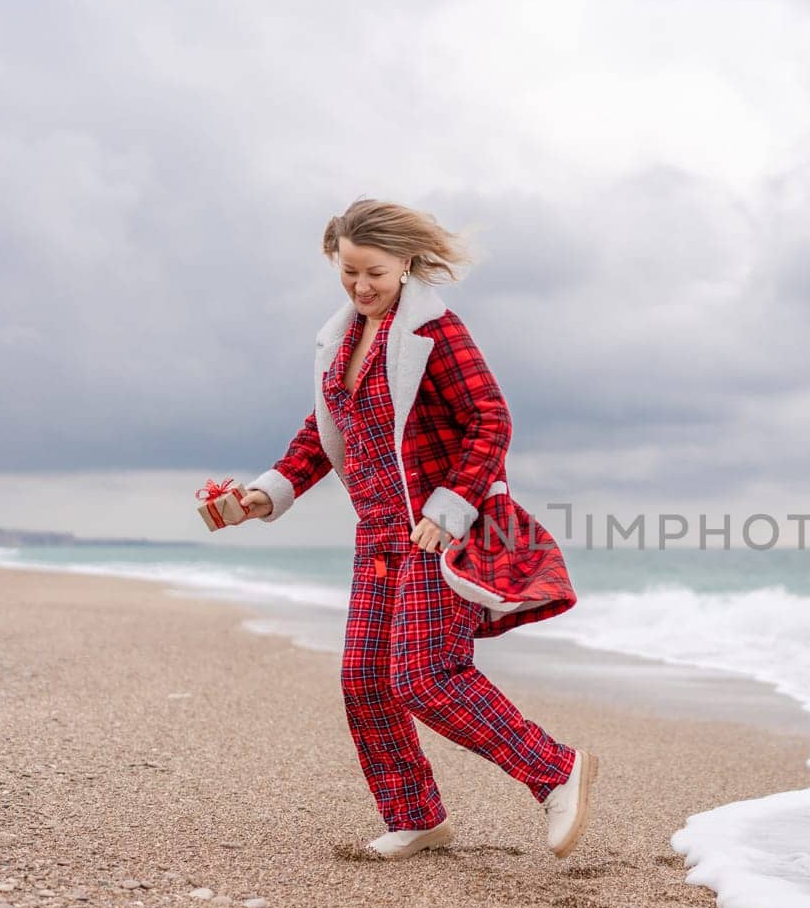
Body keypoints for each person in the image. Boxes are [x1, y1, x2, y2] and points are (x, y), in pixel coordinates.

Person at [238, 198, 598, 860]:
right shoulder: (338, 342)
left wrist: (449, 507)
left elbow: (492, 418)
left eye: (373, 271)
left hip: (442, 532)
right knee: (364, 679)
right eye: (348, 271)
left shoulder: (436, 330)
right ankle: (416, 814)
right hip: (378, 536)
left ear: (405, 262)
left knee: (426, 675)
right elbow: (325, 437)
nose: (360, 285)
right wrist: (267, 492)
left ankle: (555, 769)